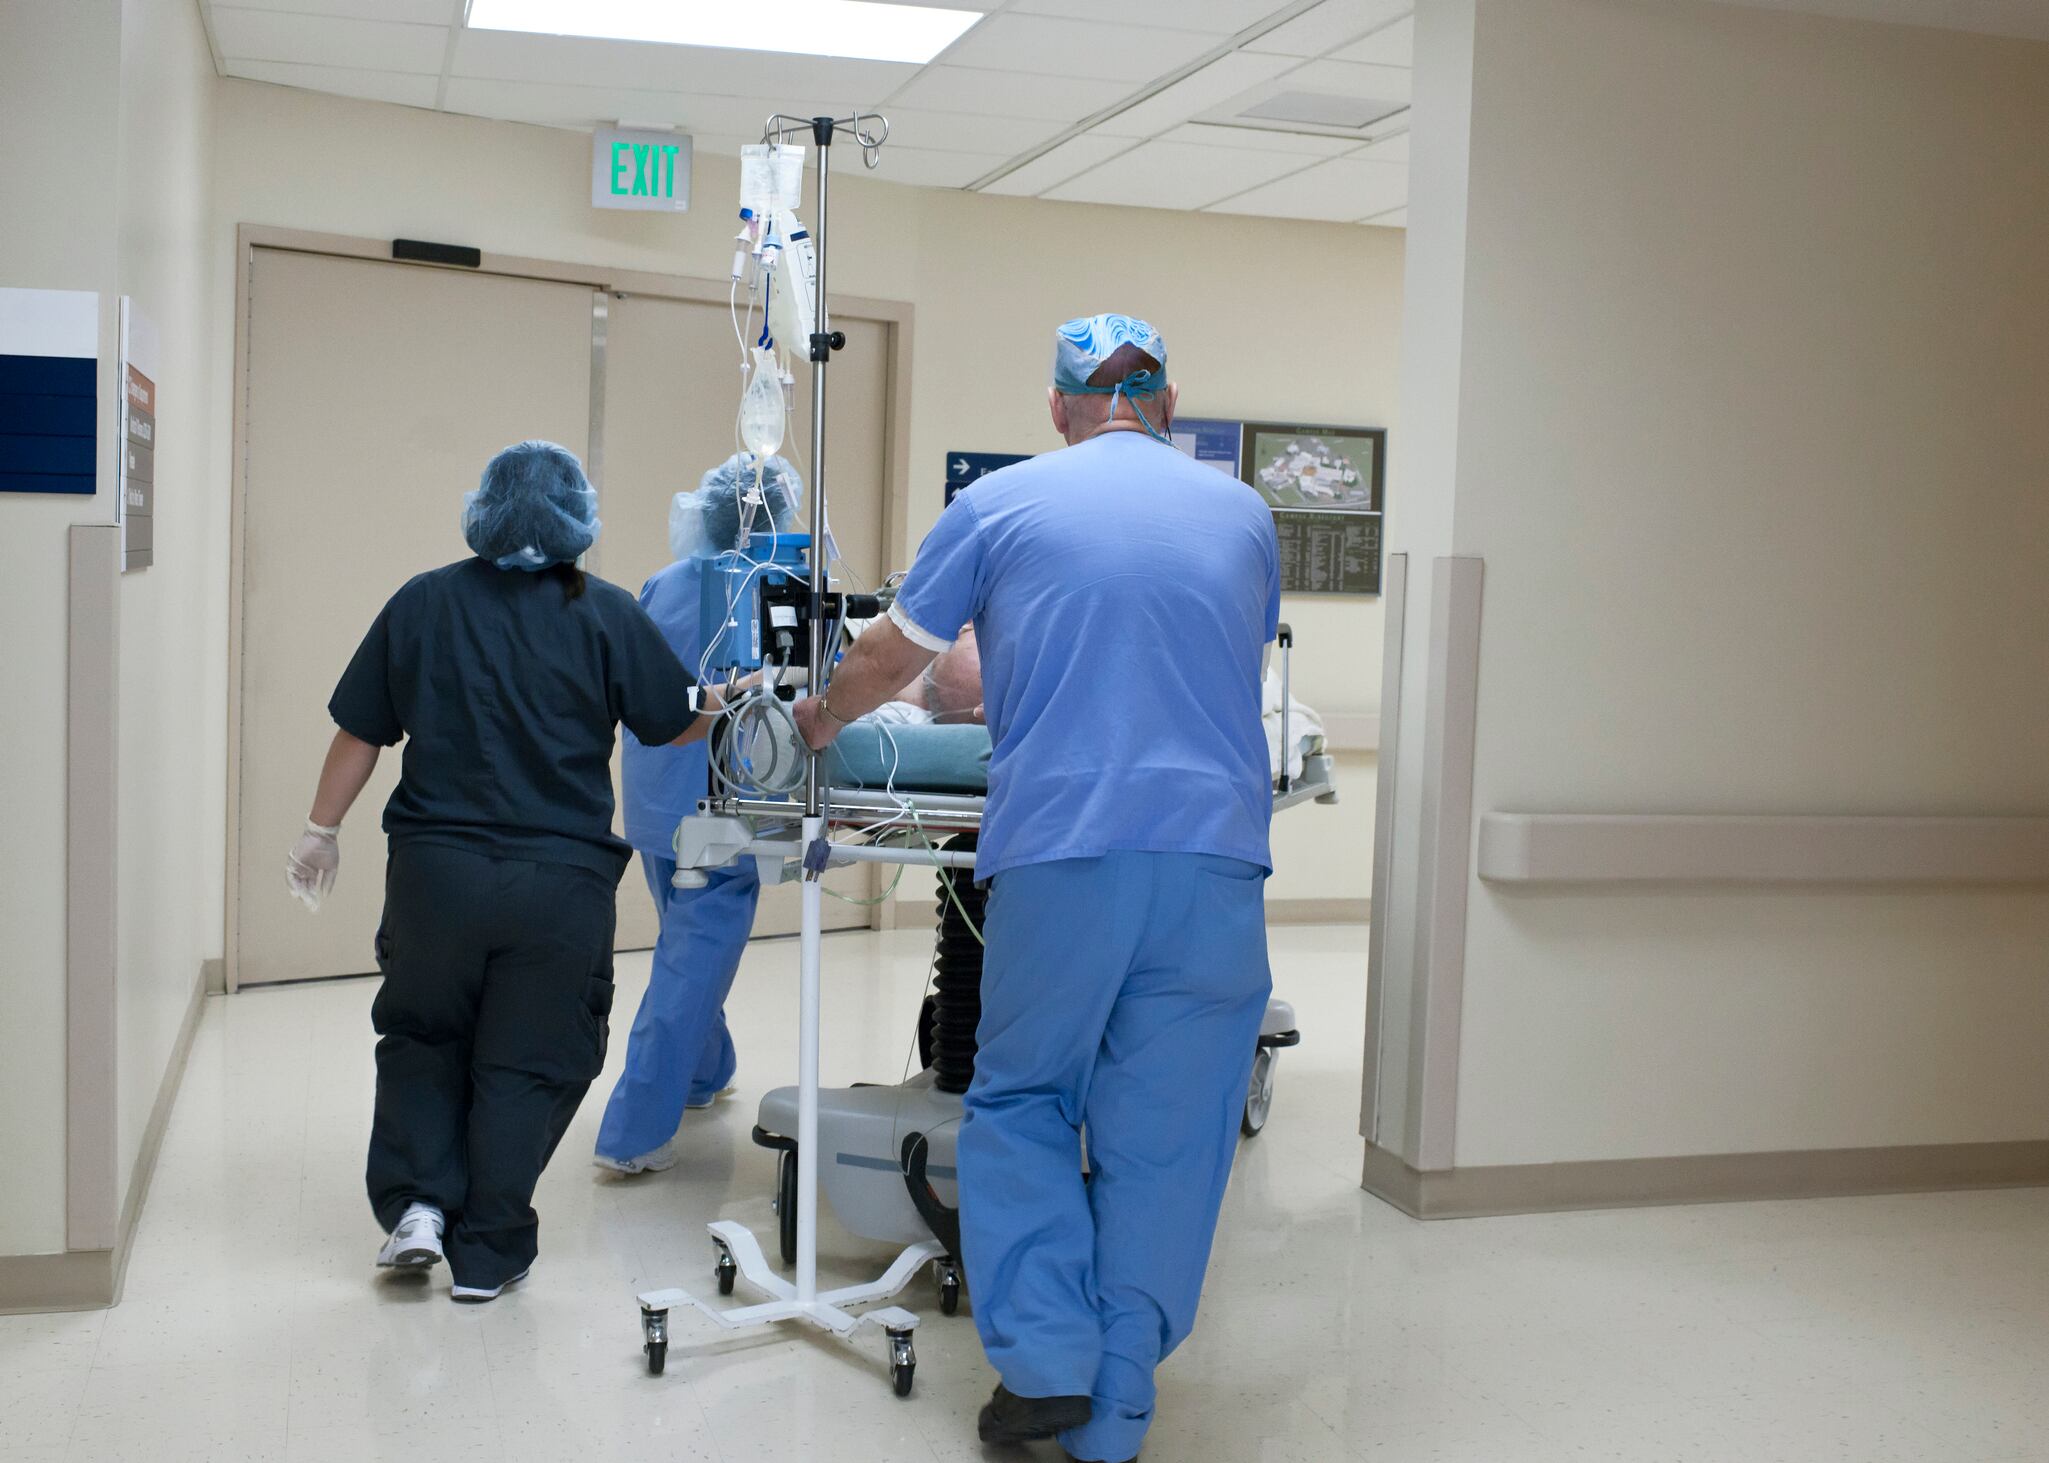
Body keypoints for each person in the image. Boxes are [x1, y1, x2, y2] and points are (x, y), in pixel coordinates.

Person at [793, 315, 1279, 1463]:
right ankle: (1113, 1414)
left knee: (1022, 1102)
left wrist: (816, 719)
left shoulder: (1004, 503)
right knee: (1169, 1136)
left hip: (1067, 850)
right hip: (1215, 862)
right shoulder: (1247, 513)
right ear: (1168, 404)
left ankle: (1048, 1360)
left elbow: (899, 657)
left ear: (1059, 409)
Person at [285, 440, 718, 1303]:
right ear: (577, 519)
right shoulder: (605, 613)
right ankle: (487, 1248)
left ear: (481, 509)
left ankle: (416, 1204)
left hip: (436, 878)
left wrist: (318, 830)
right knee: (530, 1056)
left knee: (423, 1036)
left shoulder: (423, 602)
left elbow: (361, 731)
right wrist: (724, 701)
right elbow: (671, 724)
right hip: (556, 885)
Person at [592, 453, 802, 1175]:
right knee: (688, 963)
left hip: (656, 798)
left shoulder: (666, 581)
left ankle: (707, 1073)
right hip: (728, 807)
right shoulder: (785, 587)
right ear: (781, 517)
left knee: (688, 945)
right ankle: (632, 1132)